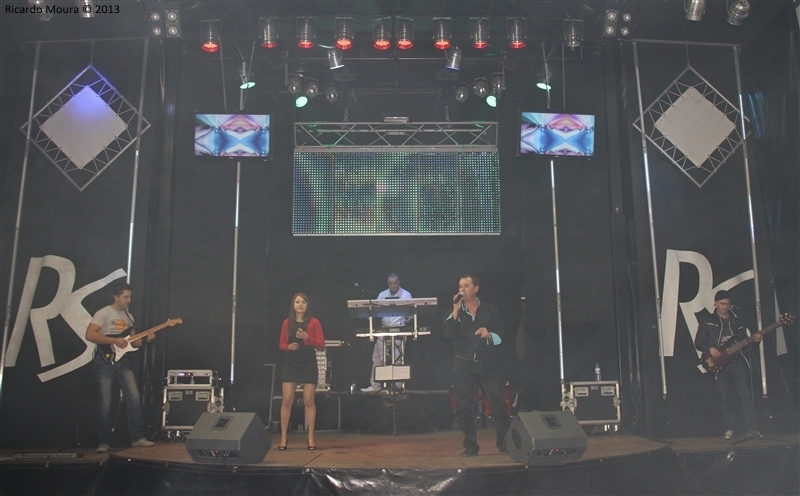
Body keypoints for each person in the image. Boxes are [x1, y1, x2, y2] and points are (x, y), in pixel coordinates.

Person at [442, 274, 510, 456]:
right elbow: (447, 334)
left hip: (487, 363)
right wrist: (455, 310)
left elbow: (502, 333)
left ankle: (504, 442)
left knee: (498, 402)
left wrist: (490, 335)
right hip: (463, 364)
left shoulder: (489, 310)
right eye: (460, 286)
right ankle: (471, 445)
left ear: (476, 288)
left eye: (466, 285)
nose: (462, 289)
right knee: (464, 406)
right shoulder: (455, 312)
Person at [85, 283, 155, 453]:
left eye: (130, 297)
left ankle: (137, 437)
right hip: (104, 361)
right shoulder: (103, 313)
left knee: (134, 397)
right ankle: (104, 441)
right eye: (125, 297)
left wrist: (146, 340)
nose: (129, 300)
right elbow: (90, 334)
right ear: (116, 297)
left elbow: (133, 342)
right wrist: (114, 341)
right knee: (106, 402)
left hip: (122, 361)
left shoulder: (129, 316)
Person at [694, 290, 762, 439]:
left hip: (738, 361)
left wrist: (755, 341)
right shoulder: (708, 321)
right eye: (722, 304)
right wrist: (710, 348)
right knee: (725, 398)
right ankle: (729, 429)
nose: (725, 307)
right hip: (719, 362)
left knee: (746, 395)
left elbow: (745, 343)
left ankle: (751, 429)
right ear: (715, 303)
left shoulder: (737, 321)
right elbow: (698, 342)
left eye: (727, 304)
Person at [278, 293, 325, 450]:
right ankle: (283, 436)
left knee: (309, 400)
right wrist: (288, 347)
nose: (300, 304)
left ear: (307, 305)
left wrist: (307, 337)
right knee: (287, 399)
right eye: (297, 302)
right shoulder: (287, 322)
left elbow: (321, 345)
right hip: (291, 363)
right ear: (293, 305)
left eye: (303, 302)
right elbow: (281, 344)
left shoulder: (314, 322)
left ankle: (310, 436)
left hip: (308, 363)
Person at [362, 273, 412, 393]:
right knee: (377, 357)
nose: (393, 285)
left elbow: (411, 313)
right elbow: (374, 309)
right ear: (387, 283)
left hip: (399, 328)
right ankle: (376, 386)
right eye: (391, 283)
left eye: (395, 283)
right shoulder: (382, 294)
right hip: (384, 328)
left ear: (399, 282)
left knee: (398, 358)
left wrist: (405, 318)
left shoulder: (406, 294)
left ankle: (398, 386)